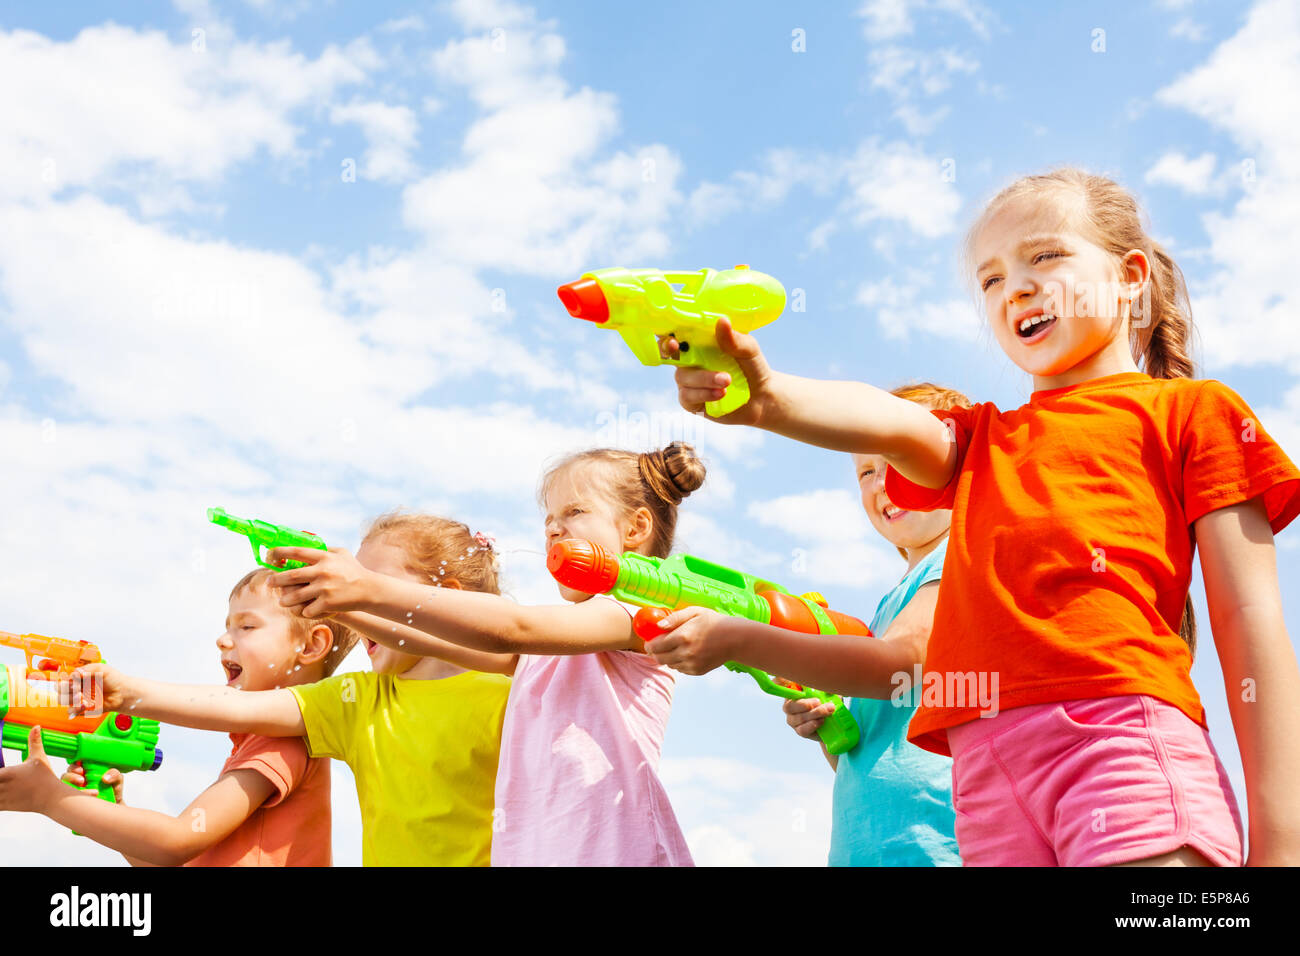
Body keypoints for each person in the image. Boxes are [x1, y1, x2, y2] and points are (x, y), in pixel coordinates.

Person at [665, 167, 1300, 866]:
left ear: (1131, 276)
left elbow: (1252, 625)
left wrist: (1283, 843)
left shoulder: (1193, 413)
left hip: (1119, 743)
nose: (1015, 288)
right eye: (991, 279)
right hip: (986, 777)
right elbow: (891, 421)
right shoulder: (982, 440)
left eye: (1046, 255)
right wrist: (768, 396)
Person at [268, 443, 705, 866]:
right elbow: (433, 640)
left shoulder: (636, 614)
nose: (553, 529)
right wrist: (345, 604)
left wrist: (366, 587)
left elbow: (513, 628)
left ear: (635, 529)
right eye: (549, 518)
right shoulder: (552, 653)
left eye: (574, 512)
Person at [646, 383, 968, 866]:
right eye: (866, 471)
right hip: (869, 847)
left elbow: (901, 663)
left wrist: (747, 641)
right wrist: (829, 726)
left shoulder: (958, 562)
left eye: (896, 460)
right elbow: (863, 752)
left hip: (938, 844)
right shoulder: (889, 606)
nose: (881, 483)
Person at [71, 513, 512, 866]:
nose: (355, 605)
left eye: (375, 590)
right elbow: (233, 707)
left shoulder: (517, 692)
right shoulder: (360, 700)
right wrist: (126, 691)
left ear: (447, 597)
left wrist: (56, 802)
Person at [0, 568, 353, 866]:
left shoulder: (282, 743)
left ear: (310, 646)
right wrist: (119, 812)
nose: (222, 640)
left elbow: (177, 841)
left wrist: (47, 798)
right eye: (228, 626)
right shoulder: (255, 743)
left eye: (246, 627)